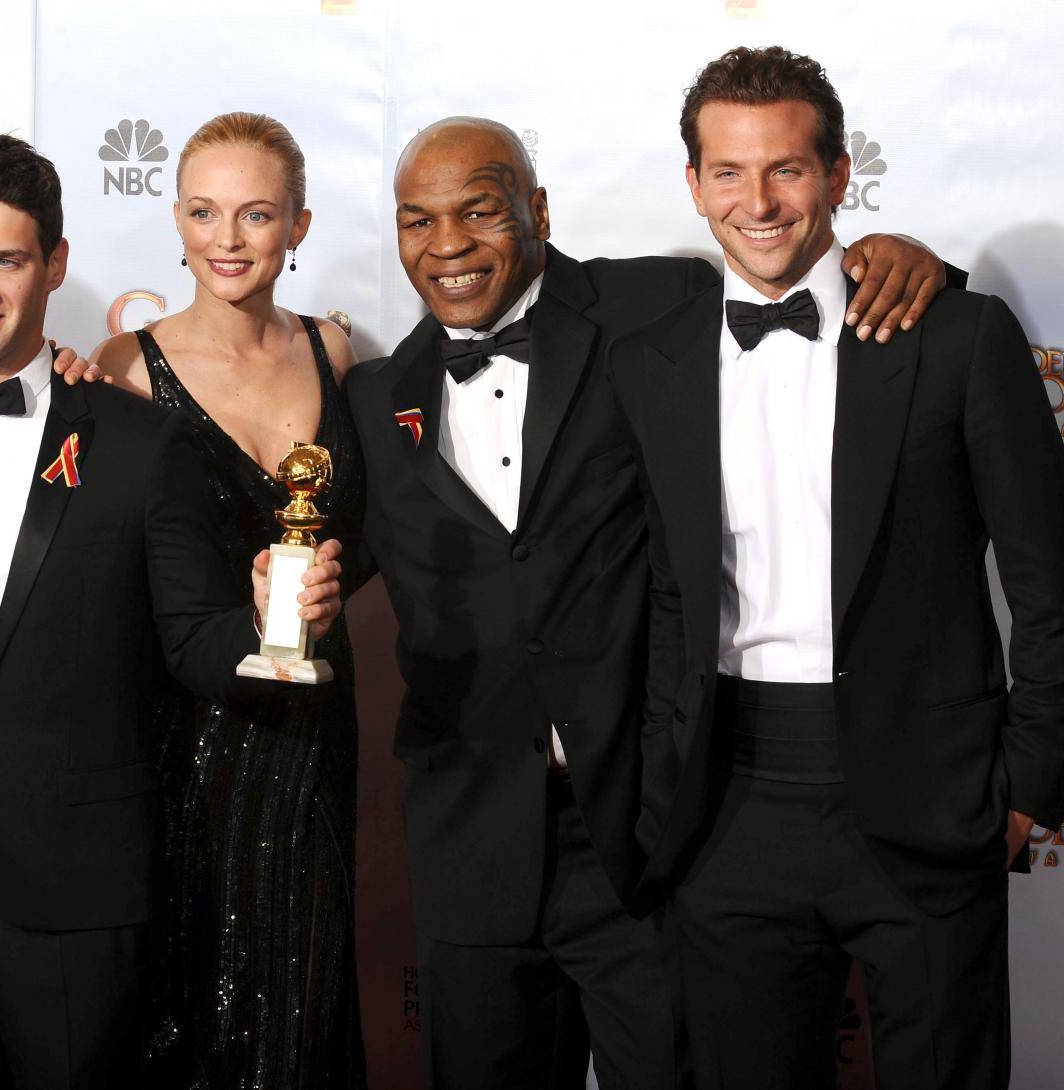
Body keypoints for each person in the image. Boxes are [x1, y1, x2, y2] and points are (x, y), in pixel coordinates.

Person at [341, 116, 949, 1089]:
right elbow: (309, 546)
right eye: (416, 220)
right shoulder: (374, 396)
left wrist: (895, 255)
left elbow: (791, 278)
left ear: (536, 209)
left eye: (477, 212)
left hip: (644, 833)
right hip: (472, 839)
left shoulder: (655, 304)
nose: (444, 244)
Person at [0, 132, 345, 1090]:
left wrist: (268, 614)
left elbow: (190, 638)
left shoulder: (138, 442)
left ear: (55, 265)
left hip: (80, 878)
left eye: (7, 261)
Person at [609, 45, 1064, 1089]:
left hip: (930, 793)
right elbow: (663, 598)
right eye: (727, 172)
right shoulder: (649, 359)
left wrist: (1027, 783)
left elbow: (1047, 580)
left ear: (837, 174)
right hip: (722, 804)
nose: (757, 200)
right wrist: (655, 784)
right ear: (691, 184)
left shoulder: (955, 337)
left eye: (787, 169)